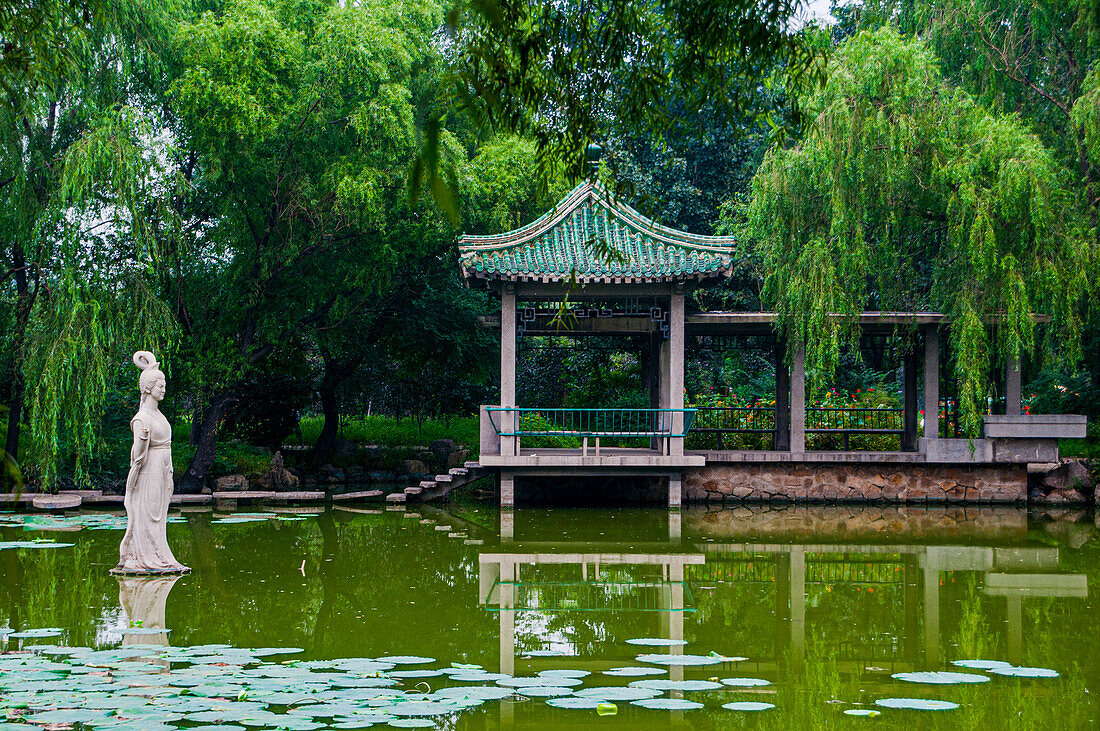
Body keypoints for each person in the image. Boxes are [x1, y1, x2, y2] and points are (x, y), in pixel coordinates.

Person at [111, 351, 190, 575]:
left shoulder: (160, 416)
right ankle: (143, 557)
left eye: (164, 384)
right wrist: (143, 441)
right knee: (148, 514)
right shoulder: (141, 419)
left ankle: (161, 556)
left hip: (163, 470)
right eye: (159, 384)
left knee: (159, 517)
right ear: (148, 388)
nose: (163, 389)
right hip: (149, 472)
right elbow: (137, 455)